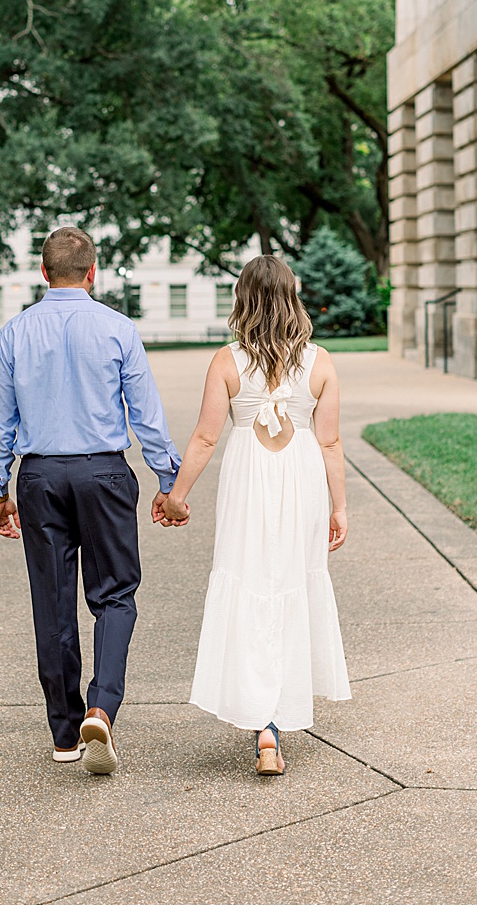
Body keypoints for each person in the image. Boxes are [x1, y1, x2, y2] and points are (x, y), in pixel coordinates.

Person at [0, 226, 182, 774]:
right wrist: (169, 481)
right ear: (92, 273)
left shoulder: (15, 333)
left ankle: (65, 733)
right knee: (115, 595)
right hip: (104, 475)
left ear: (43, 274)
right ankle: (103, 706)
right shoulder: (118, 329)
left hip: (40, 477)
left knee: (53, 600)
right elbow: (145, 414)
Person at [156, 253, 350, 775]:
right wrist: (339, 506)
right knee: (289, 580)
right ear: (293, 298)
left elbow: (204, 437)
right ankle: (274, 727)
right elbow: (329, 441)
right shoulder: (321, 362)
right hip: (302, 479)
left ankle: (262, 722)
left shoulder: (226, 362)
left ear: (242, 299)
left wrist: (177, 495)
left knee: (251, 580)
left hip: (248, 481)